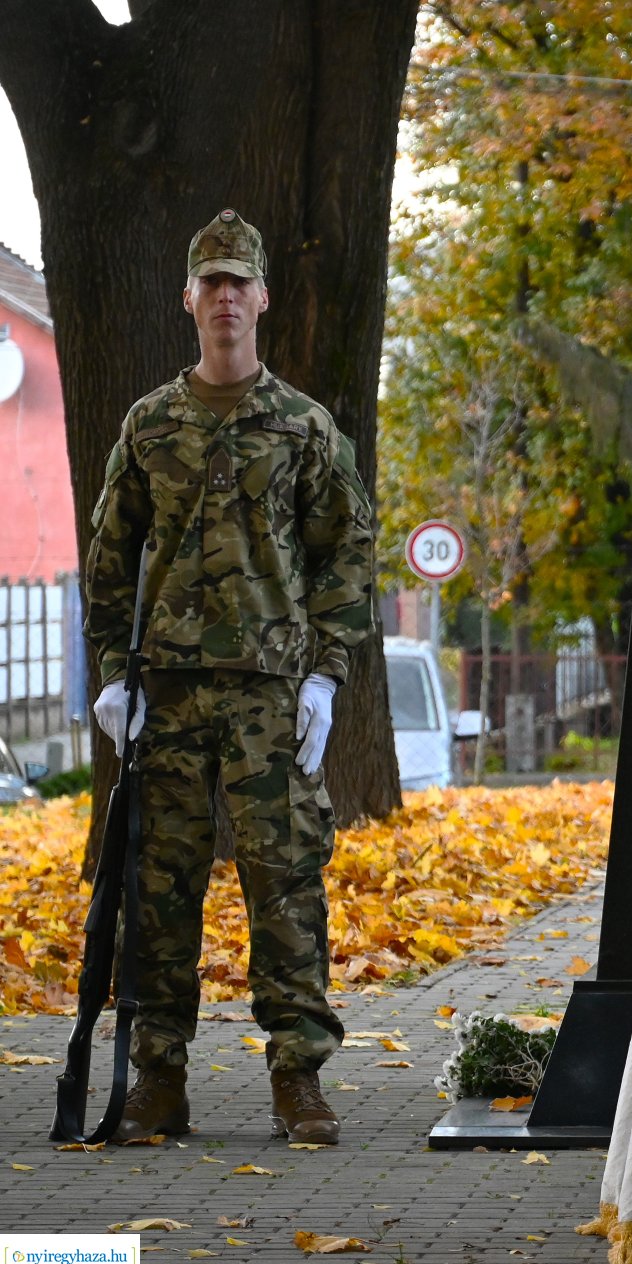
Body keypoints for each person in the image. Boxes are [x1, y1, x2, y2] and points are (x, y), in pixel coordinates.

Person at [83, 210, 375, 1146]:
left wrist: (325, 678)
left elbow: (347, 556)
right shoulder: (150, 424)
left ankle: (299, 1078)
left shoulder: (303, 427)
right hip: (165, 694)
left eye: (238, 281)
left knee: (285, 885)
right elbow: (109, 560)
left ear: (261, 298)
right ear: (188, 298)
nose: (224, 296)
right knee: (156, 892)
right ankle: (155, 1080)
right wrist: (113, 675)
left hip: (268, 695)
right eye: (210, 281)